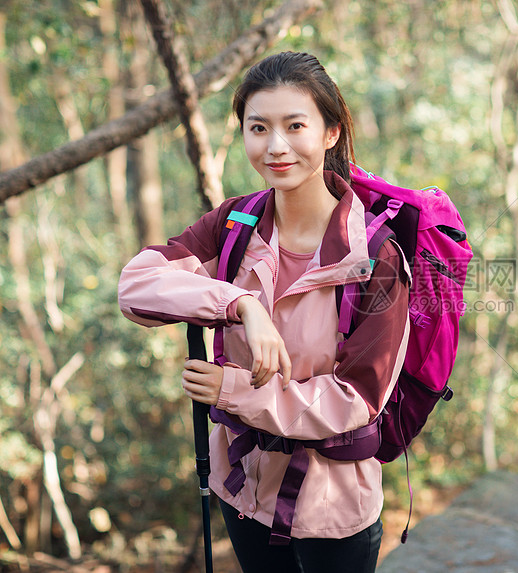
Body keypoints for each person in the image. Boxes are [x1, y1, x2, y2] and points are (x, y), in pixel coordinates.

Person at [118, 51, 410, 572]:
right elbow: (138, 286)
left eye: (295, 125)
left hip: (333, 507)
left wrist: (235, 391)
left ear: (330, 132)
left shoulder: (375, 256)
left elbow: (357, 400)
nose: (275, 146)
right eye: (258, 128)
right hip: (243, 491)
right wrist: (240, 303)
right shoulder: (232, 227)